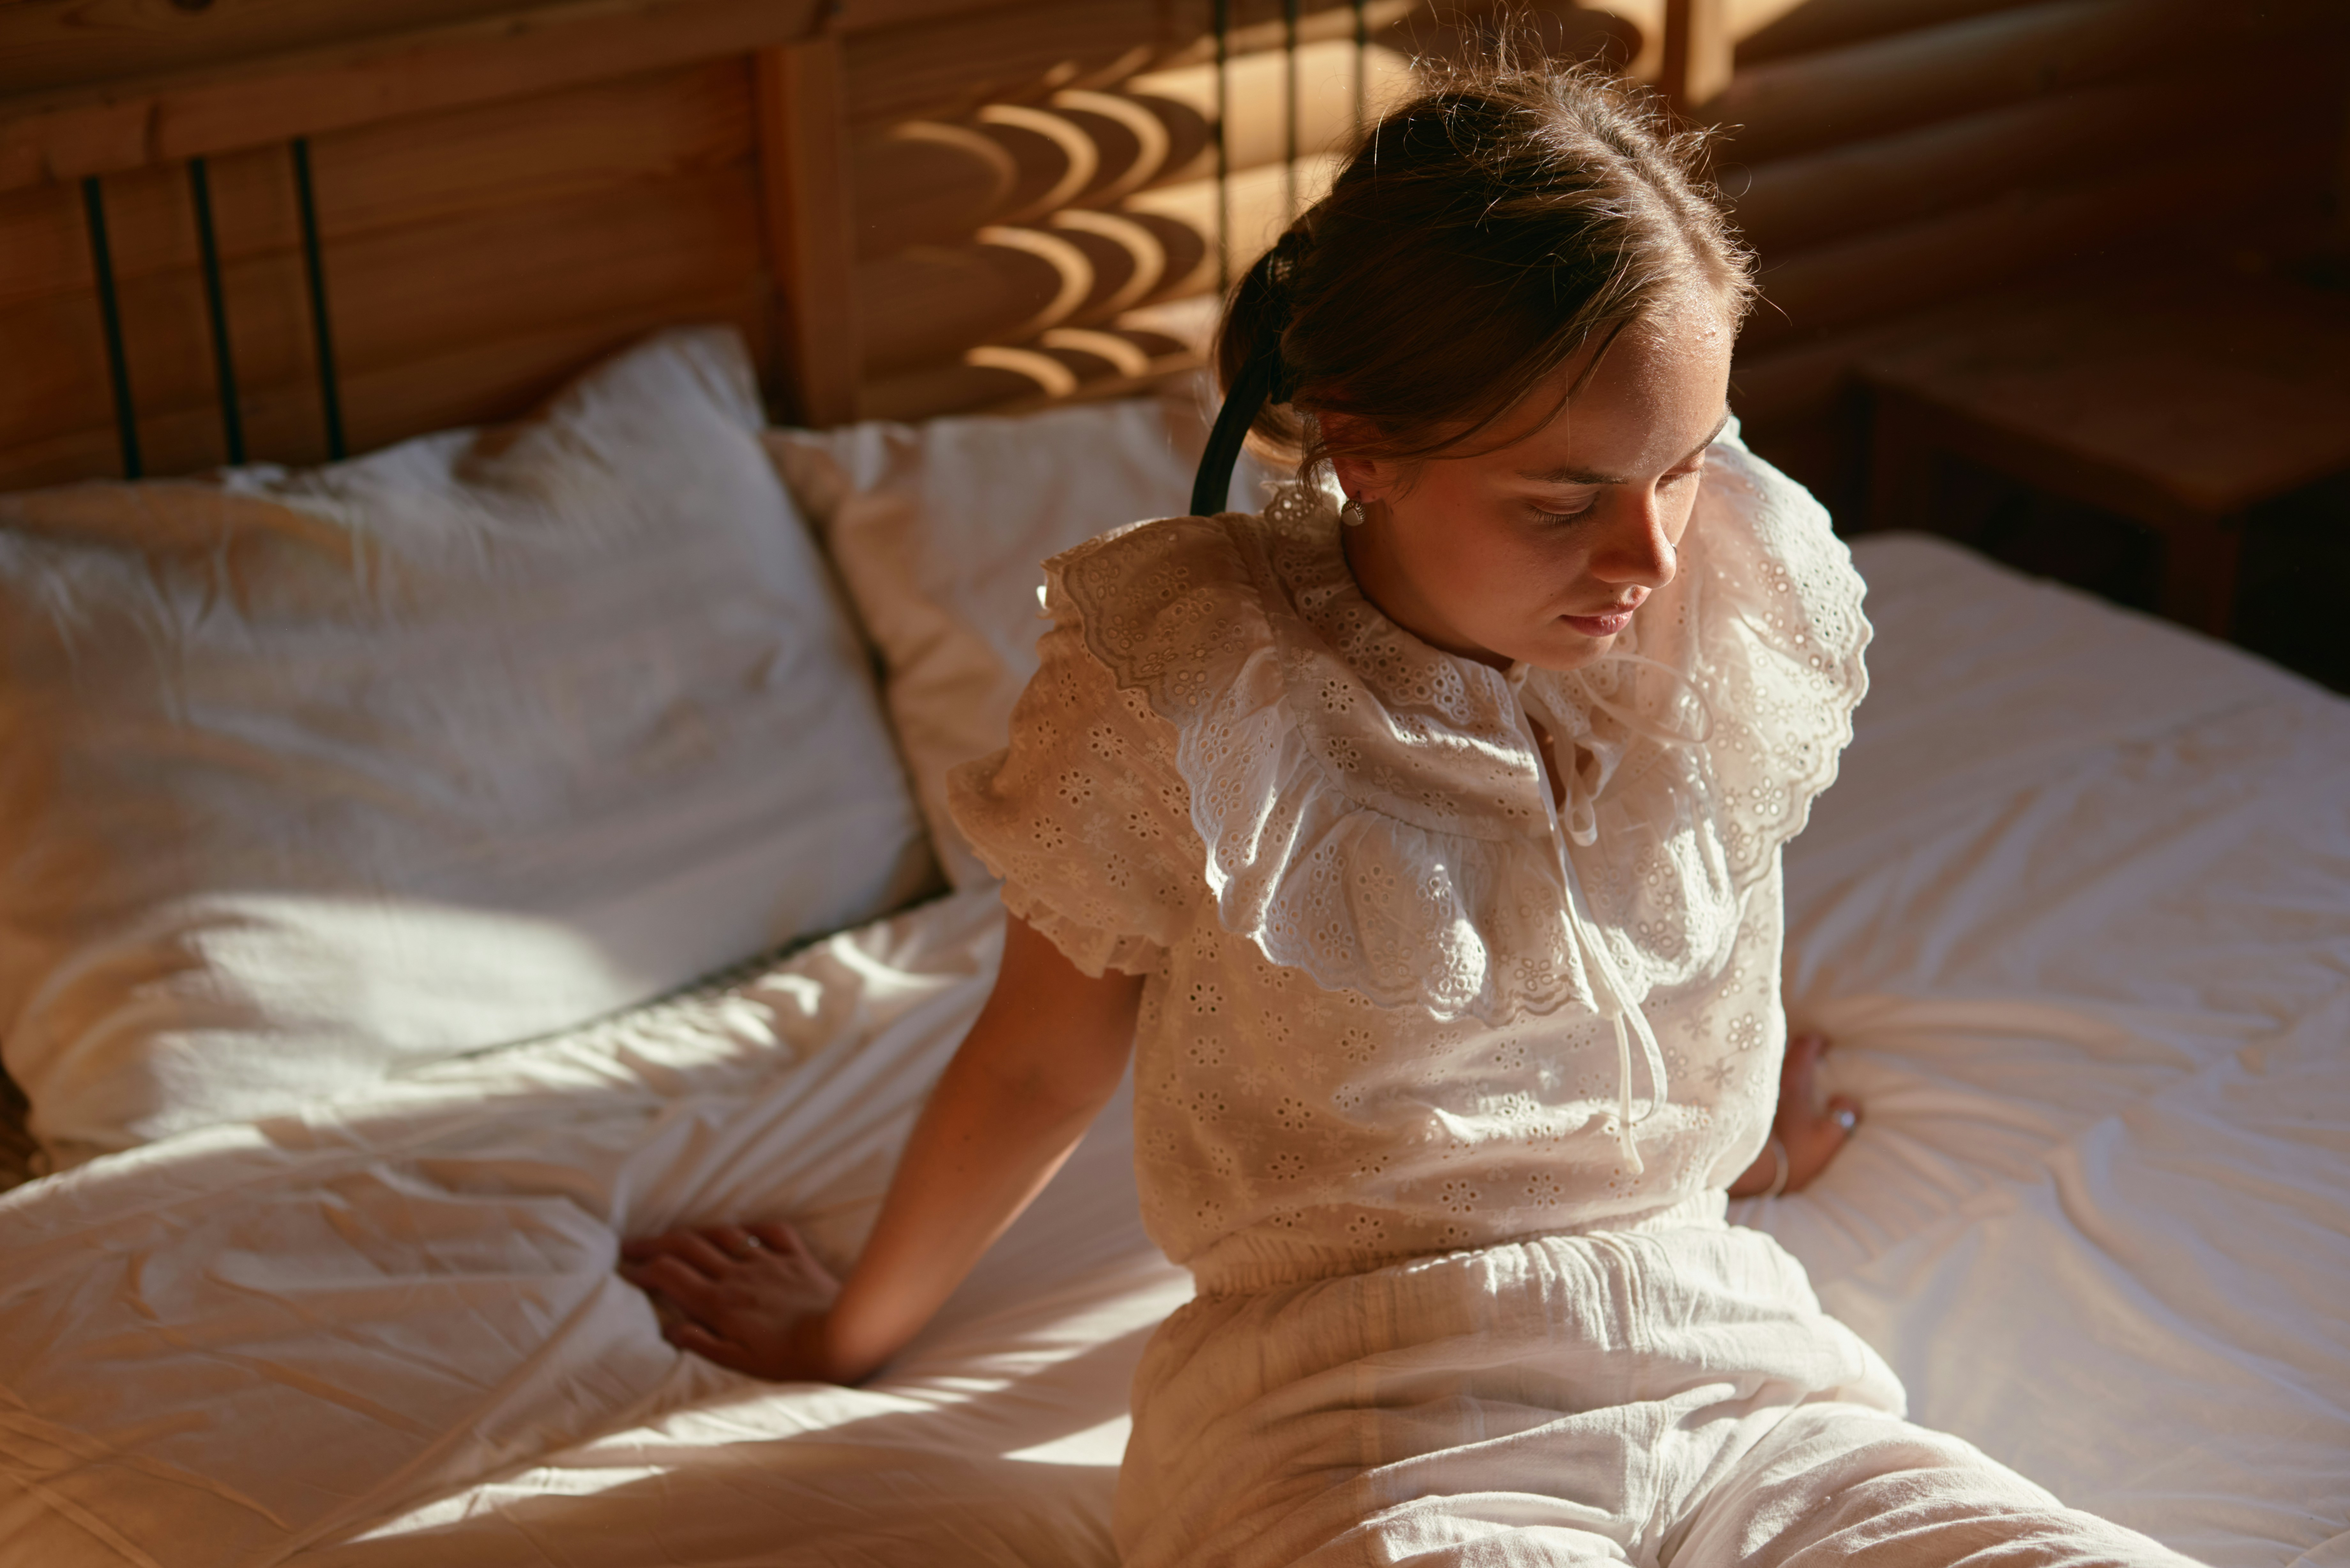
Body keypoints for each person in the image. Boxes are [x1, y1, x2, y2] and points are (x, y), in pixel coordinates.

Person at [620, 63, 2198, 1568]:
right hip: (1357, 1411)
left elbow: (1649, 888)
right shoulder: (1203, 687)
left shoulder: (1722, 581)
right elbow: (1041, 1056)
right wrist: (844, 1333)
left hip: (1725, 1355)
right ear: (1364, 456)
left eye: (1685, 462)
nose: (1645, 553)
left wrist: (1707, 1124)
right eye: (1561, 497)